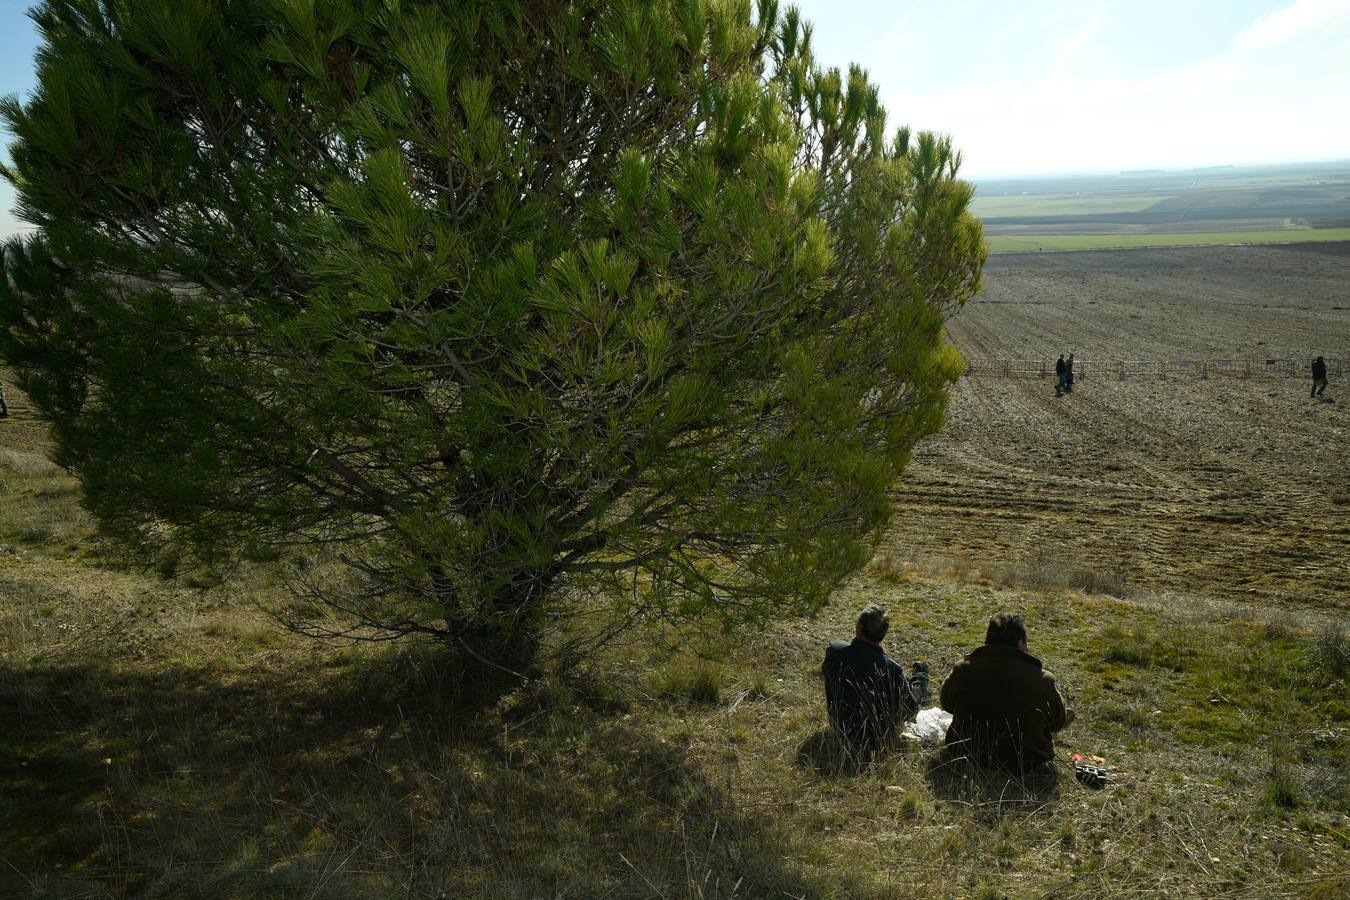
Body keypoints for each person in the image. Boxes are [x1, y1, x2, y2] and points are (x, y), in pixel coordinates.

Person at [939, 612, 1073, 776]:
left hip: (964, 753)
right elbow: (1058, 723)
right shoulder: (1043, 679)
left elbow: (946, 704)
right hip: (1026, 763)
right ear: (1020, 642)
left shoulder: (963, 669)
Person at [822, 604, 920, 759]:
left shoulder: (834, 652)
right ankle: (918, 684)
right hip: (877, 739)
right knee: (913, 688)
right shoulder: (892, 669)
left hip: (840, 727)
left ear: (860, 627)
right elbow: (911, 710)